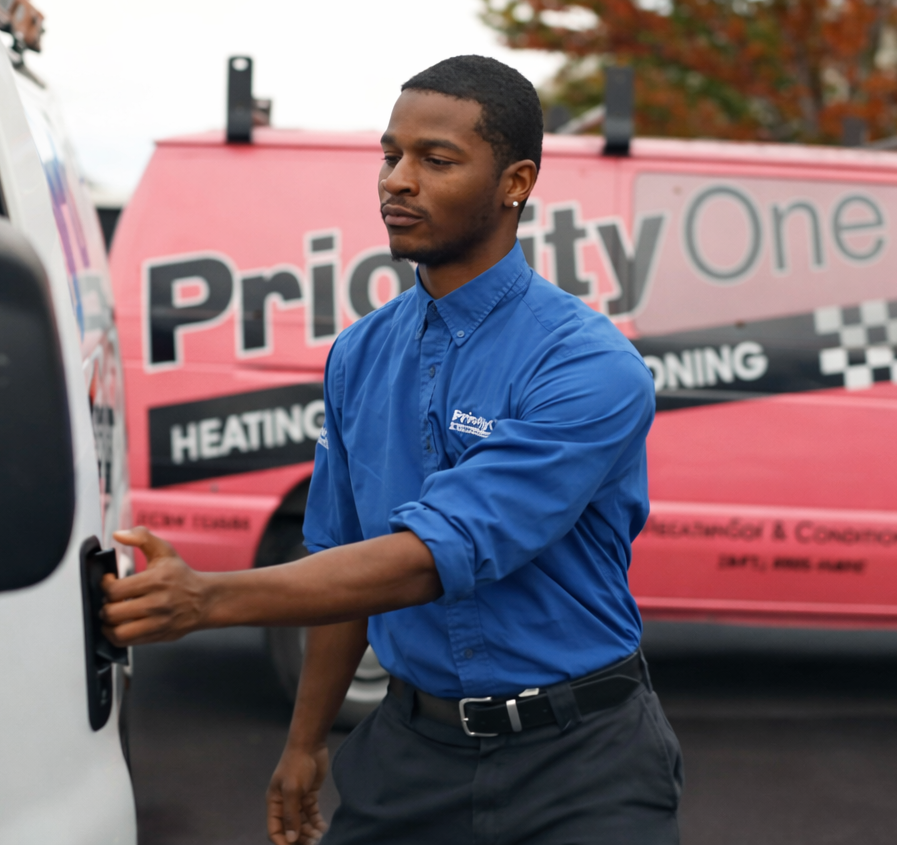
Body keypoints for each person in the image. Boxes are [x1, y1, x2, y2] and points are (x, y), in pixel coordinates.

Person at [101, 55, 682, 844]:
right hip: (412, 754)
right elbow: (344, 560)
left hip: (584, 763)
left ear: (516, 182)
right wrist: (304, 745)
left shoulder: (587, 364)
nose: (396, 181)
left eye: (436, 160)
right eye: (390, 155)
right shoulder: (360, 354)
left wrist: (209, 599)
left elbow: (427, 556)